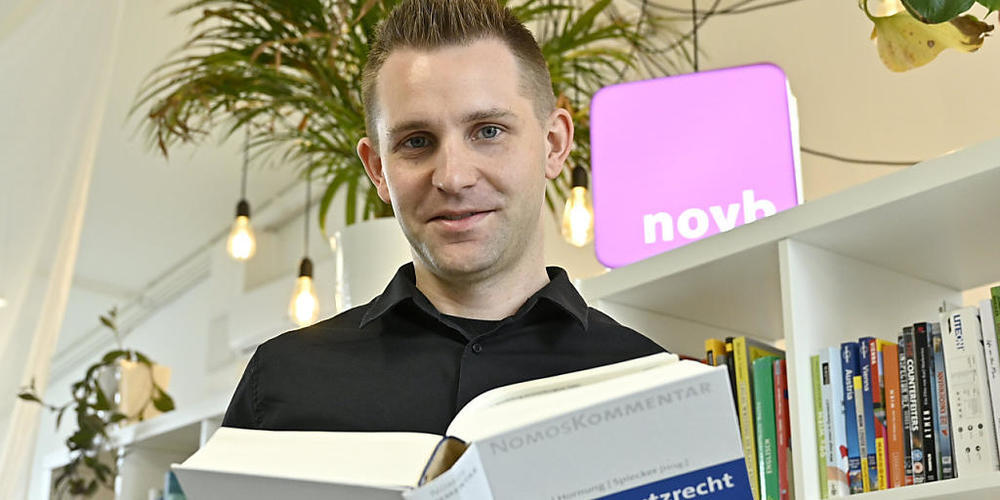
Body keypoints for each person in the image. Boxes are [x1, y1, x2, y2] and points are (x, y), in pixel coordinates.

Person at [222, 0, 666, 435]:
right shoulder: (282, 383)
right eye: (416, 142)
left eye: (488, 131)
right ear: (377, 169)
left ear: (553, 144)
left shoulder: (648, 384)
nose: (453, 177)